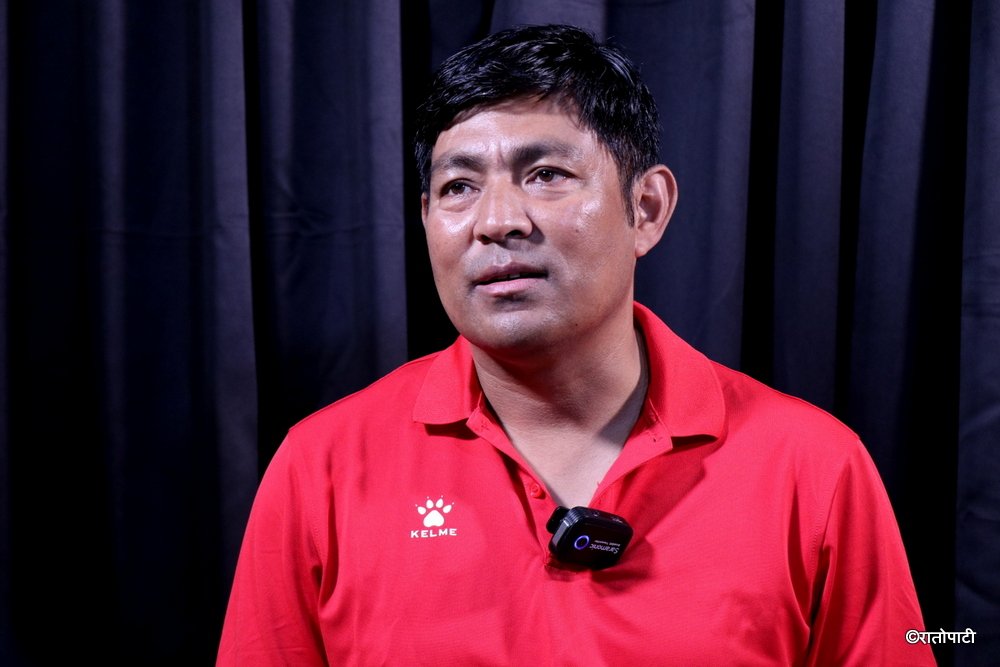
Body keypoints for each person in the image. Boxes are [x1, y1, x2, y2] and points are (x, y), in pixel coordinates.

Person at [217, 24, 935, 665]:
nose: (496, 221)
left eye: (546, 175)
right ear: (427, 217)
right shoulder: (321, 468)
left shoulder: (814, 468)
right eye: (459, 186)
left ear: (646, 208)